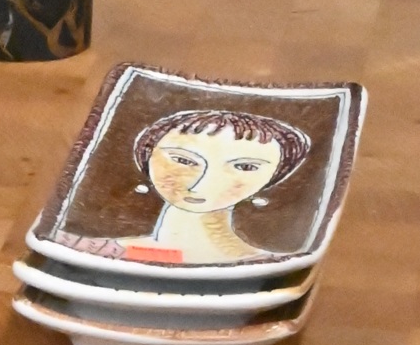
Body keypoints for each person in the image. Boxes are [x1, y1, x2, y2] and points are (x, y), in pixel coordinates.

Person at [71, 107, 312, 266]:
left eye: (245, 167)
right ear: (146, 158)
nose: (202, 183)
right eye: (183, 161)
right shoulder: (79, 249)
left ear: (274, 177)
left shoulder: (276, 266)